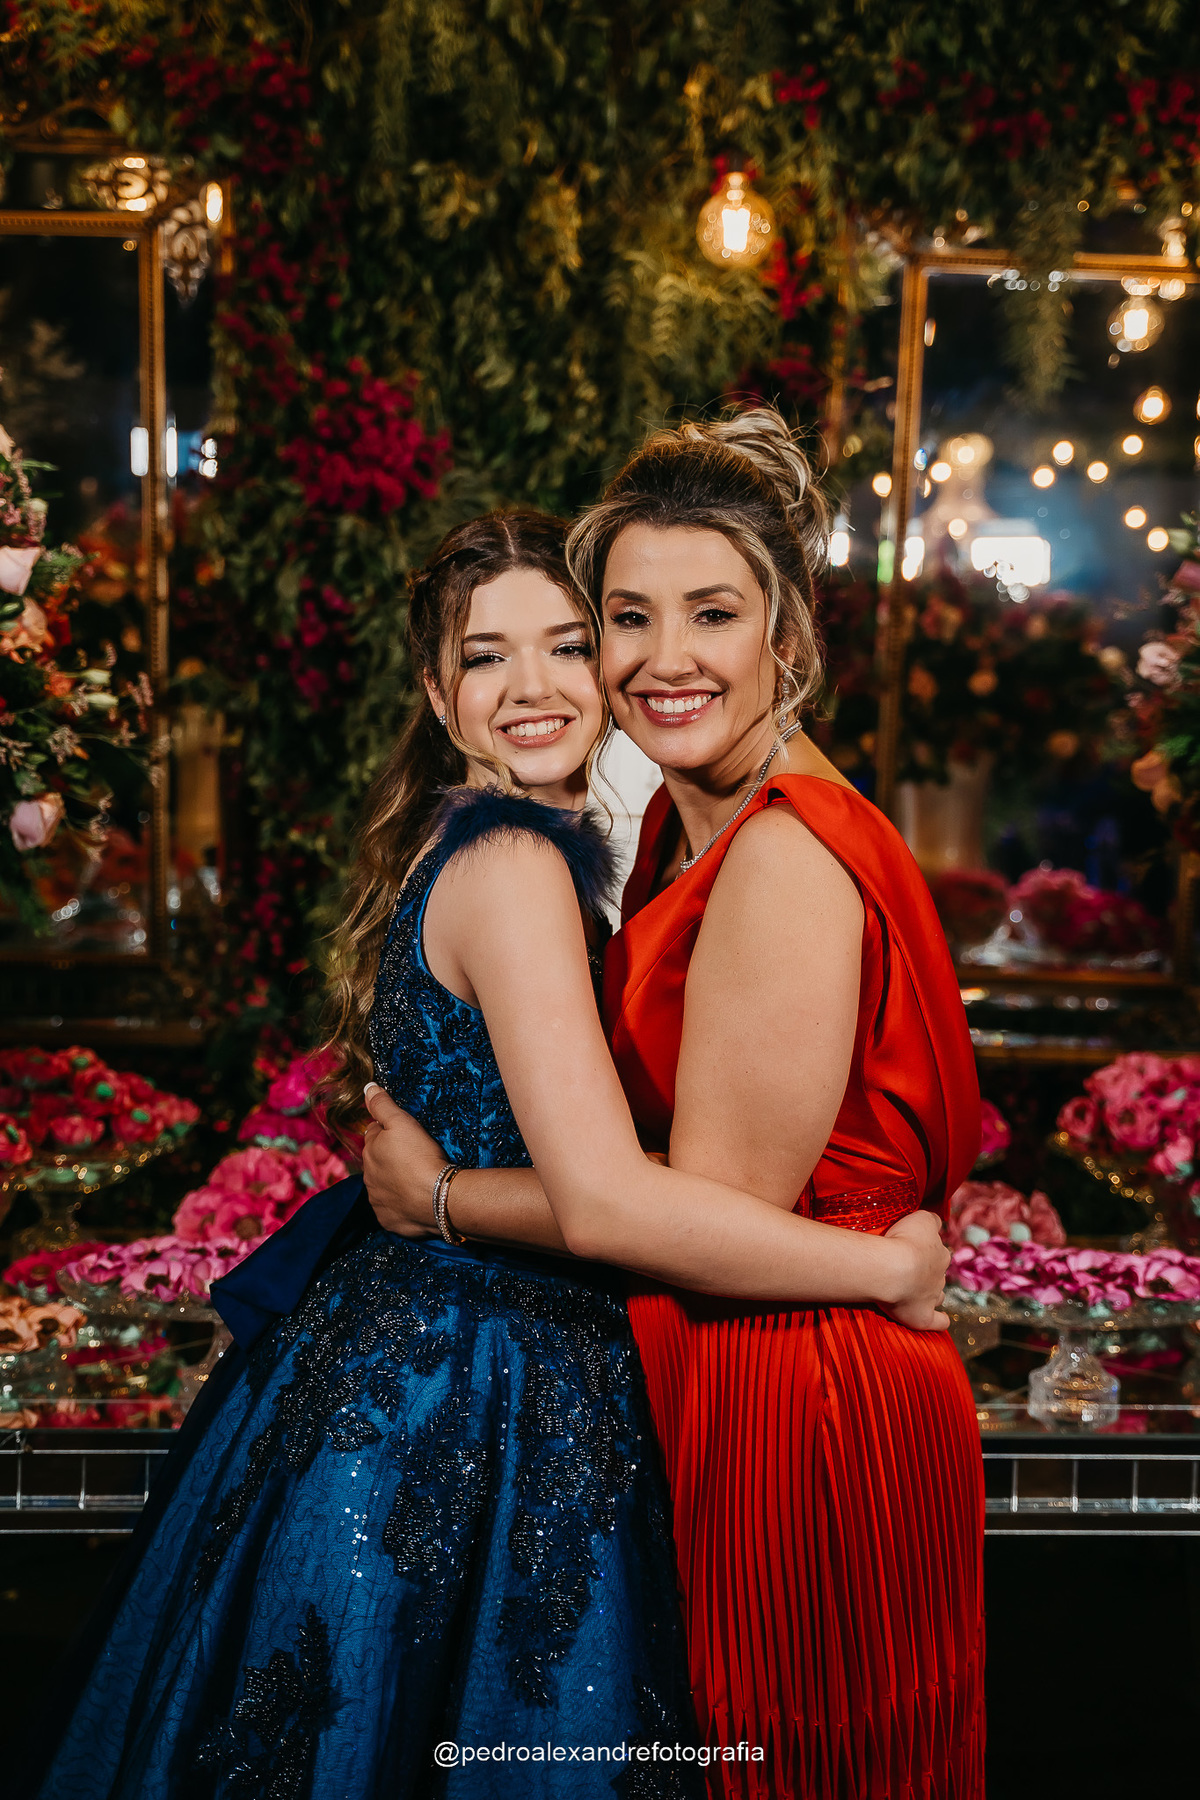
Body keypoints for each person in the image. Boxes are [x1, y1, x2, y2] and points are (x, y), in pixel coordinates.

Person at [23, 504, 948, 1800]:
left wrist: (441, 1190)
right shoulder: (514, 860)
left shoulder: (522, 847)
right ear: (436, 693)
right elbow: (609, 1199)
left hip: (433, 1349)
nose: (532, 687)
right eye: (484, 655)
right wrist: (883, 1271)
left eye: (566, 645)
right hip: (474, 1380)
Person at [361, 409, 986, 1800]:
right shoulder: (679, 824)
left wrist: (442, 1197)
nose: (664, 658)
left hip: (801, 1382)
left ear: (786, 631)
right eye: (628, 619)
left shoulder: (780, 855)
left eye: (713, 613)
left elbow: (696, 1208)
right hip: (746, 1353)